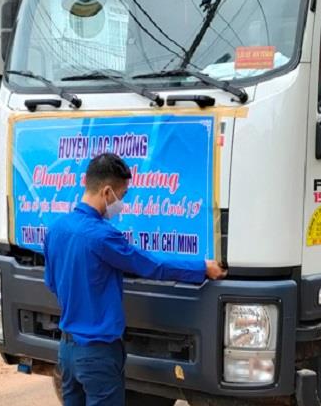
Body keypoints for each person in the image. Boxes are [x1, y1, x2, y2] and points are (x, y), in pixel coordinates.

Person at [44, 153, 226, 406]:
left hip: (67, 351)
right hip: (98, 354)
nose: (122, 203)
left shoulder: (56, 229)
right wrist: (201, 267)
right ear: (107, 192)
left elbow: (52, 283)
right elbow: (152, 266)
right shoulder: (102, 236)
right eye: (123, 194)